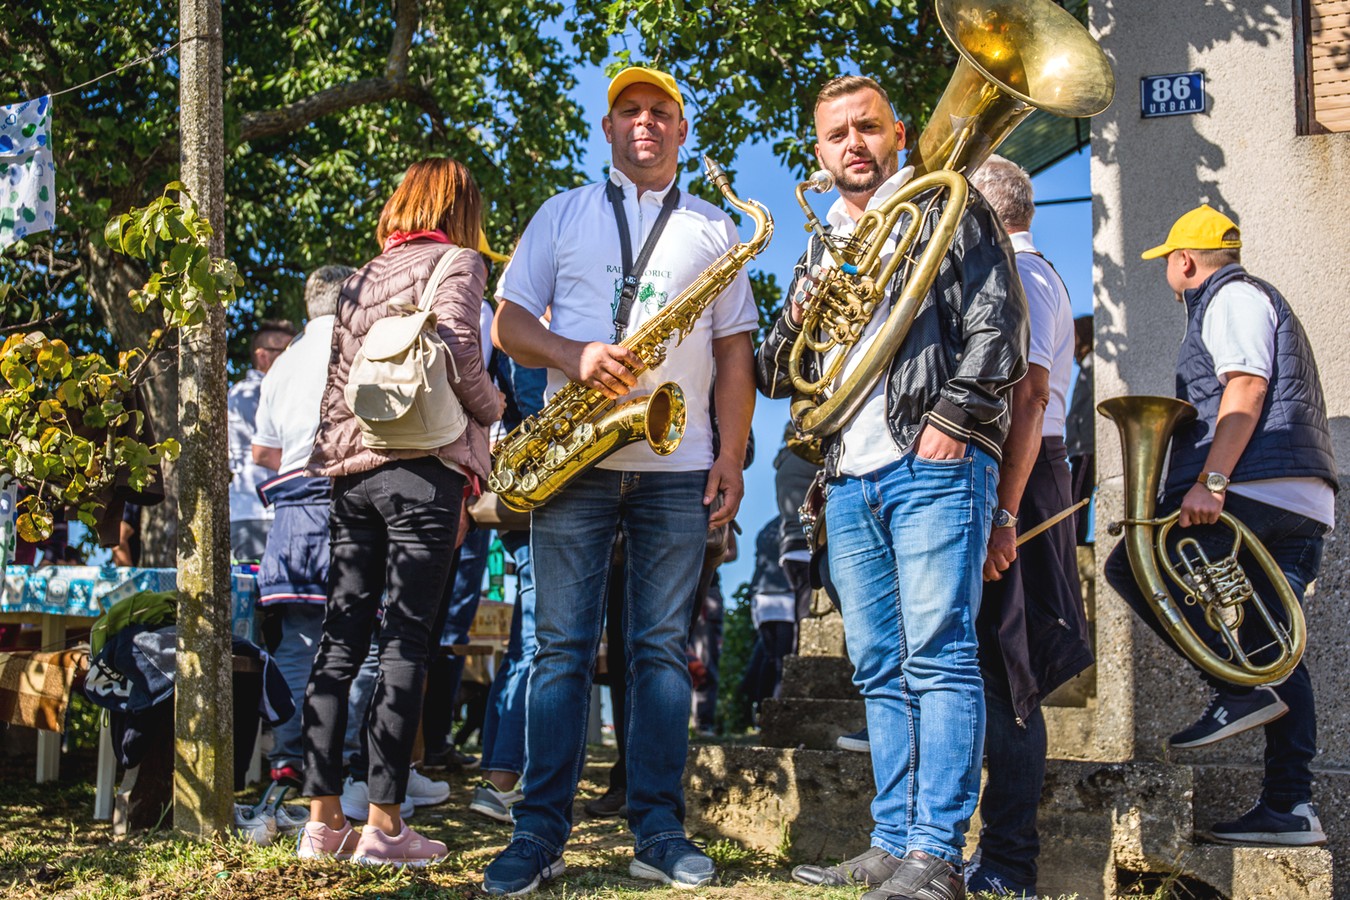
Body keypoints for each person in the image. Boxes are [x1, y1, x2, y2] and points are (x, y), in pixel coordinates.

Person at [483, 65, 757, 894]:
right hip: (573, 464)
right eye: (629, 110)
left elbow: (735, 350)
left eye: (660, 111)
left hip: (679, 467)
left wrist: (732, 454)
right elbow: (508, 323)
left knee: (660, 654)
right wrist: (572, 354)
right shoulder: (562, 212)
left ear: (681, 130)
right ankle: (539, 831)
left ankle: (658, 828)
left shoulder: (715, 227)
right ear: (607, 128)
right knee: (559, 650)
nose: (644, 122)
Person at [760, 75, 1026, 900]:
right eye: (837, 134)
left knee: (939, 655)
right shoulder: (820, 246)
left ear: (899, 134)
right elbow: (775, 372)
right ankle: (891, 843)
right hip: (848, 475)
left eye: (868, 127)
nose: (854, 144)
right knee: (878, 665)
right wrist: (798, 313)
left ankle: (937, 855)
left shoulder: (949, 205)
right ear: (819, 153)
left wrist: (953, 417)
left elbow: (999, 326)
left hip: (932, 459)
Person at [1105, 204, 1335, 846]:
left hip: (1253, 486)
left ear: (1184, 261)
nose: (1167, 274)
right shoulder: (1251, 298)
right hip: (1296, 494)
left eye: (1167, 263)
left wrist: (1211, 480)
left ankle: (1233, 691)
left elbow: (1246, 389)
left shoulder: (1230, 297)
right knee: (1271, 648)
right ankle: (1290, 806)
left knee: (1132, 565)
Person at [297, 158, 505, 866]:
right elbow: (460, 348)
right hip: (422, 468)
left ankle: (322, 822)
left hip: (352, 473)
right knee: (406, 642)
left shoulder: (358, 278)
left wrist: (337, 459)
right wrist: (493, 409)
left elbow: (337, 382)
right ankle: (385, 827)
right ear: (458, 208)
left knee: (339, 639)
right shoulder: (459, 263)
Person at [964, 155, 1092, 897]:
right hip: (1023, 466)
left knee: (1007, 669)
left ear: (988, 210)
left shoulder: (1020, 273)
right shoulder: (1023, 272)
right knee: (991, 663)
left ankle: (1009, 864)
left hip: (1025, 469)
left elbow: (1033, 396)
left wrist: (1005, 513)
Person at [251, 265, 354, 790]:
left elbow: (262, 452)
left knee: (297, 640)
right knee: (362, 637)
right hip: (344, 495)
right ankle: (351, 762)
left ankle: (290, 755)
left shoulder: (283, 363)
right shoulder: (359, 347)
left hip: (291, 506)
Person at [228, 319, 296, 562]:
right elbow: (281, 443)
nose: (293, 359)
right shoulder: (247, 393)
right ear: (262, 356)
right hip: (254, 511)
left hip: (274, 509)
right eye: (285, 352)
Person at [1064, 314, 1095, 544]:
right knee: (1077, 492)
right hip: (1079, 444)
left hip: (1085, 445)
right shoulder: (1087, 365)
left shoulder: (1092, 365)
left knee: (1077, 496)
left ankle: (1074, 541)